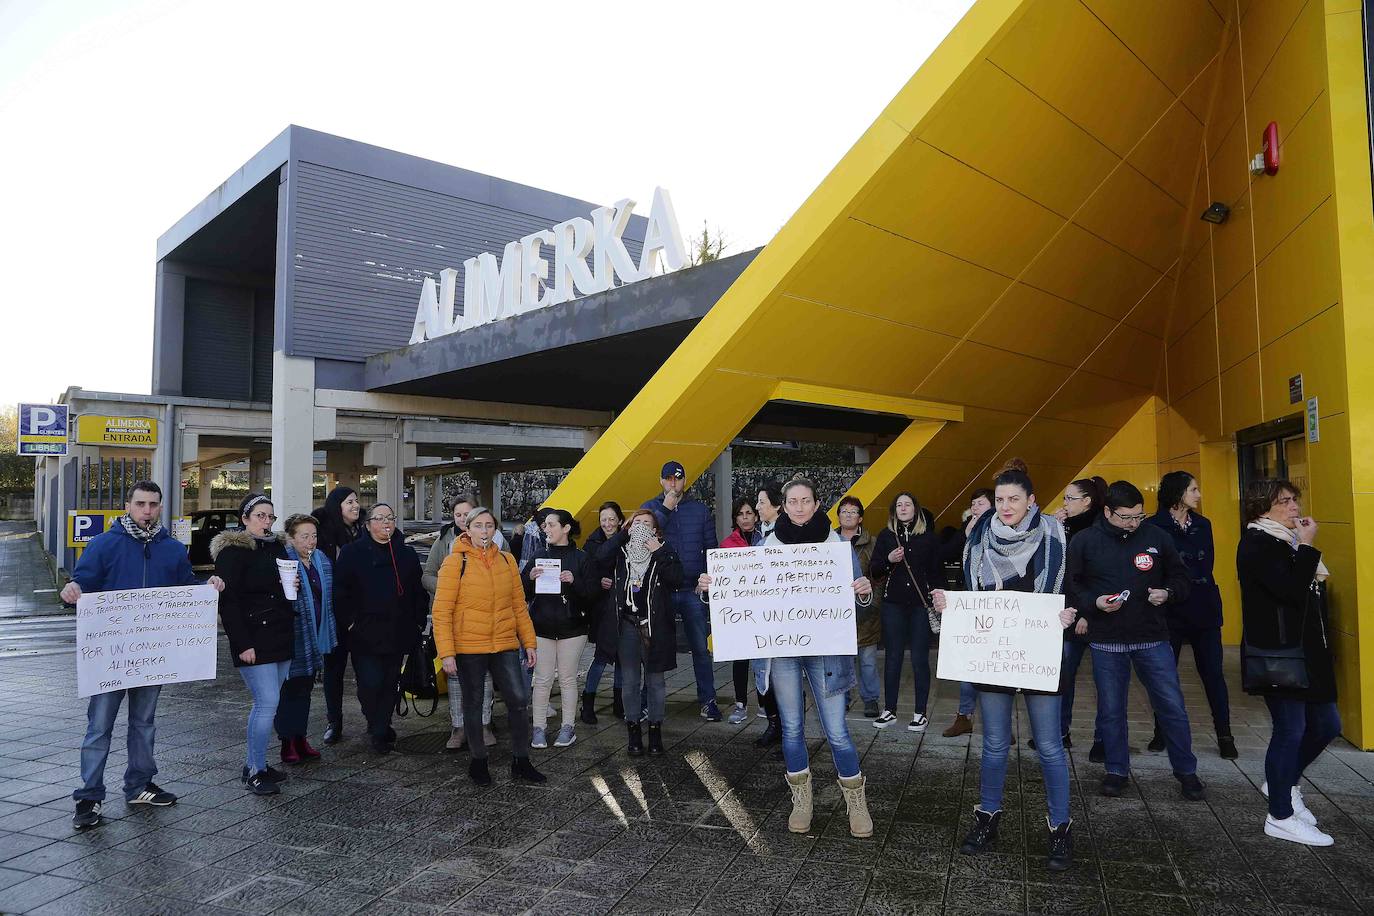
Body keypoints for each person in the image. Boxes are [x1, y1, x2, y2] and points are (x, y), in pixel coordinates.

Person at [702, 478, 875, 838]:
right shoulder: (768, 545)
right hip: (783, 651)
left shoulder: (836, 546)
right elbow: (748, 597)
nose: (799, 506)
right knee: (792, 729)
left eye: (805, 500)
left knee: (838, 731)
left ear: (816, 504)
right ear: (784, 505)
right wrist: (713, 590)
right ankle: (802, 800)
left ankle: (856, 803)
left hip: (825, 653)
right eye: (792, 501)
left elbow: (859, 606)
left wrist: (862, 593)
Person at [932, 469, 1077, 871]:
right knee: (994, 743)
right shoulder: (979, 536)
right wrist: (950, 603)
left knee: (1049, 745)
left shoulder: (1055, 535)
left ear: (1031, 500)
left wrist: (1071, 611)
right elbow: (971, 592)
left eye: (1014, 499)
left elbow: (1075, 586)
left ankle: (1060, 826)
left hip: (1040, 650)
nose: (1006, 507)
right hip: (993, 652)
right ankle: (987, 817)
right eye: (1000, 500)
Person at [64, 481, 224, 829]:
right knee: (99, 727)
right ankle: (89, 796)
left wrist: (206, 589)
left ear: (160, 507)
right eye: (141, 504)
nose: (147, 511)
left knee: (144, 724)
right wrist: (71, 590)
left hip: (153, 655)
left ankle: (139, 785)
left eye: (153, 504)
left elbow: (184, 590)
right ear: (128, 504)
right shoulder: (104, 544)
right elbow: (82, 584)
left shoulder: (171, 548)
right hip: (111, 657)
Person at [1068, 481, 1203, 801]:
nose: (1133, 523)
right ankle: (1116, 771)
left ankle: (1186, 771)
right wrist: (1094, 603)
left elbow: (1181, 577)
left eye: (1138, 516)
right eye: (1126, 517)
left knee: (1172, 706)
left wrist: (1167, 593)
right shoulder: (1084, 541)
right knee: (1111, 710)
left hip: (1152, 638)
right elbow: (1073, 587)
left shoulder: (1156, 536)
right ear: (1107, 511)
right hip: (1107, 640)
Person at [1237, 479, 1337, 845]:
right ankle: (1279, 815)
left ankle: (1282, 782)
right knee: (1290, 730)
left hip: (1308, 651)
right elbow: (1291, 591)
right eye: (1284, 502)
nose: (1294, 507)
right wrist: (1307, 547)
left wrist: (1301, 546)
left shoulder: (1285, 540)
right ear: (1262, 508)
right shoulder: (1257, 543)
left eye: (1295, 500)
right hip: (1279, 653)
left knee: (1328, 724)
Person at [431, 507, 545, 786]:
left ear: (495, 530)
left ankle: (521, 760)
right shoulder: (454, 563)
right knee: (473, 703)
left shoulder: (507, 561)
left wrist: (528, 642)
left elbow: (519, 607)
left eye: (489, 526)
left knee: (518, 700)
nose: (484, 531)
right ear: (467, 530)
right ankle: (478, 761)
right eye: (478, 526)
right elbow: (442, 612)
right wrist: (446, 652)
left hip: (504, 643)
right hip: (469, 646)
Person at [1145, 471, 1235, 759]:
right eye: (1193, 489)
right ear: (1178, 493)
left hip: (1204, 609)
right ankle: (1162, 731)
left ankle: (1225, 734)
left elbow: (1204, 564)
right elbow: (1158, 568)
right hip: (1168, 612)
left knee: (1213, 674)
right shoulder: (1153, 527)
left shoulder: (1203, 524)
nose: (1198, 495)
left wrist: (1179, 576)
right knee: (1164, 676)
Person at [213, 494, 297, 796]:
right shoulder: (233, 552)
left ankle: (255, 762)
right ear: (245, 519)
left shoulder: (275, 546)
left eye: (270, 517)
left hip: (280, 633)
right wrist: (242, 643)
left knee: (268, 704)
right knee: (267, 703)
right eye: (260, 516)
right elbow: (228, 602)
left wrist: (292, 586)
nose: (267, 522)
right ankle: (256, 772)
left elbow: (282, 587)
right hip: (253, 637)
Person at [333, 503, 428, 755]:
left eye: (390, 517)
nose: (386, 522)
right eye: (379, 518)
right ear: (368, 524)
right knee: (369, 682)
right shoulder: (352, 553)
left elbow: (418, 592)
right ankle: (375, 720)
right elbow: (340, 592)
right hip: (365, 632)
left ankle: (380, 728)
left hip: (399, 629)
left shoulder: (405, 553)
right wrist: (351, 622)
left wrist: (418, 621)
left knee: (390, 682)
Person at [596, 508, 684, 757]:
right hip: (627, 623)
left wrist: (659, 550)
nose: (642, 527)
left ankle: (655, 730)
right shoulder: (621, 553)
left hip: (654, 625)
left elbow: (677, 578)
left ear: (656, 530)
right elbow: (599, 557)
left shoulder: (664, 551)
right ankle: (633, 730)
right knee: (630, 681)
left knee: (656, 681)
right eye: (637, 523)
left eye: (647, 523)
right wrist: (622, 536)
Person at [642, 460, 720, 721]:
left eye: (677, 478)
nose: (673, 483)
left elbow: (712, 548)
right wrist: (666, 507)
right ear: (661, 481)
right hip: (660, 589)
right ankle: (646, 702)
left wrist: (705, 578)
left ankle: (708, 701)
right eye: (668, 479)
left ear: (685, 480)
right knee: (654, 648)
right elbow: (643, 541)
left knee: (700, 647)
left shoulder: (699, 510)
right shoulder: (651, 509)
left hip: (691, 590)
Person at [1038, 476, 1108, 756]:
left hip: (1092, 613)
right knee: (1063, 675)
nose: (1064, 503)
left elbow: (1097, 577)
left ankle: (1102, 741)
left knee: (1105, 680)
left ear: (1087, 501)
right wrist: (1055, 528)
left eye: (1069, 498)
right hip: (1067, 612)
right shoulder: (1065, 527)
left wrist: (1086, 614)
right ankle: (1060, 731)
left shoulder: (1098, 530)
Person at [423, 495, 497, 752]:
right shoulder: (444, 541)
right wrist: (448, 588)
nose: (464, 519)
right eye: (458, 515)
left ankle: (485, 723)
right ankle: (459, 726)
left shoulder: (498, 542)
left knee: (485, 675)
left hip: (486, 622)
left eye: (468, 514)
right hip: (453, 620)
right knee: (454, 674)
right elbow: (428, 575)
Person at [869, 492, 946, 732]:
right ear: (894, 510)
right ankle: (889, 710)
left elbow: (937, 572)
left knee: (920, 659)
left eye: (908, 504)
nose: (903, 508)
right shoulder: (885, 536)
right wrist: (889, 558)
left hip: (921, 606)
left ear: (916, 509)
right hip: (893, 604)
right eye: (899, 504)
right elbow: (874, 569)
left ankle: (920, 712)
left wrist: (939, 597)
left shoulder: (928, 537)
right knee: (893, 657)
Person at [526, 509, 597, 749]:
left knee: (567, 679)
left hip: (573, 628)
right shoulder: (538, 556)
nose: (546, 529)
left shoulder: (581, 558)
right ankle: (538, 729)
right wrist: (530, 578)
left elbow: (591, 596)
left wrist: (574, 582)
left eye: (551, 525)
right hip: (542, 626)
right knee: (542, 679)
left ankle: (568, 727)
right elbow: (522, 593)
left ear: (565, 528)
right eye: (545, 525)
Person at [276, 514, 337, 764]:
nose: (310, 541)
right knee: (288, 689)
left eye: (313, 536)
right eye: (304, 536)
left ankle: (300, 737)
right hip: (293, 634)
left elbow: (327, 598)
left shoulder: (321, 559)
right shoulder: (283, 561)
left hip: (317, 632)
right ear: (291, 538)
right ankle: (287, 741)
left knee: (305, 690)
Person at [942, 488, 993, 738]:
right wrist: (966, 532)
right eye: (973, 503)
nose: (975, 508)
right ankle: (964, 716)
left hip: (996, 605)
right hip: (970, 604)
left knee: (995, 663)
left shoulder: (1003, 528)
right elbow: (947, 554)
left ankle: (997, 719)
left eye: (980, 503)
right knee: (969, 662)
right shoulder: (967, 528)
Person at [312, 486, 361, 745]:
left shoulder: (363, 530)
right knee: (334, 670)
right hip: (333, 614)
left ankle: (374, 718)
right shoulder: (323, 533)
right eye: (349, 501)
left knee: (366, 668)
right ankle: (334, 721)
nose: (355, 505)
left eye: (356, 501)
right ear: (337, 505)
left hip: (361, 612)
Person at [721, 497, 773, 725]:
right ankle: (740, 704)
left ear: (756, 515)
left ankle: (764, 702)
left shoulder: (768, 540)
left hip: (763, 610)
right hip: (739, 611)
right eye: (740, 514)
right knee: (740, 659)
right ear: (735, 518)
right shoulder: (727, 544)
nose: (745, 517)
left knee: (762, 658)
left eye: (749, 513)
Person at [836, 496, 881, 718]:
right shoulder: (829, 542)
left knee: (868, 661)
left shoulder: (872, 542)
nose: (848, 515)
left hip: (866, 611)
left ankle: (870, 699)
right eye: (844, 511)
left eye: (853, 512)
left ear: (860, 517)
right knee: (841, 660)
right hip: (837, 613)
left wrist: (872, 600)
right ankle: (841, 698)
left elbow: (879, 575)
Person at [582, 501, 625, 723]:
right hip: (602, 609)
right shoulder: (592, 543)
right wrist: (600, 581)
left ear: (619, 519)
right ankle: (587, 701)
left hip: (625, 607)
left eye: (611, 519)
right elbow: (589, 572)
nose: (608, 524)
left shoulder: (630, 541)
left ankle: (619, 702)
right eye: (603, 520)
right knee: (600, 657)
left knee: (622, 658)